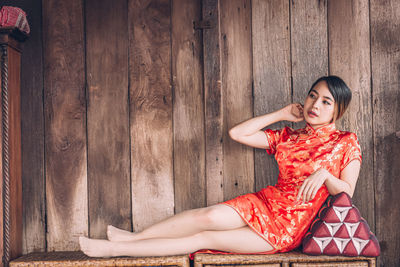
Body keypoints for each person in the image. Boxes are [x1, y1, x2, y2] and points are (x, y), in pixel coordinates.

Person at [79, 75, 362, 258]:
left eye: (326, 102)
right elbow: (238, 134)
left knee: (203, 237)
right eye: (313, 96)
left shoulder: (346, 142)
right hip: (264, 204)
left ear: (339, 110)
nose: (315, 105)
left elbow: (346, 193)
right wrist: (282, 114)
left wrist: (325, 174)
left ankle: (113, 250)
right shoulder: (289, 136)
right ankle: (135, 237)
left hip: (287, 227)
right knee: (208, 216)